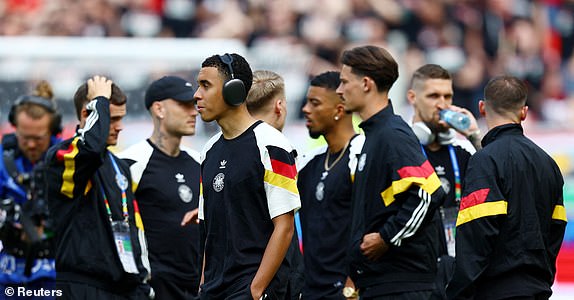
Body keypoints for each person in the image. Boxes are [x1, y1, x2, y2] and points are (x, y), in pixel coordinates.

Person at [336, 45, 445, 299]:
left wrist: (386, 237)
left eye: (343, 82)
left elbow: (429, 193)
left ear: (365, 83)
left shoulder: (392, 135)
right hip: (382, 284)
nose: (339, 90)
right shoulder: (375, 135)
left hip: (402, 286)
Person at [445, 75, 567, 299]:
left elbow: (477, 234)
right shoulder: (549, 164)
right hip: (538, 290)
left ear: (482, 108)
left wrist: (457, 294)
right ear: (524, 112)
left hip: (495, 291)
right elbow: (556, 228)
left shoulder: (484, 161)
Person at [194, 53, 300, 299]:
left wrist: (255, 290)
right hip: (212, 291)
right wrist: (203, 285)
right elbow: (208, 228)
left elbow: (284, 227)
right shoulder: (208, 151)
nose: (196, 95)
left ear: (234, 91)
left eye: (206, 86)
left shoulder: (273, 145)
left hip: (249, 291)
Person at [45, 76, 153, 299]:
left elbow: (133, 228)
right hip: (80, 287)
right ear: (88, 114)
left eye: (121, 118)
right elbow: (90, 149)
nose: (119, 127)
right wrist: (99, 101)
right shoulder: (63, 156)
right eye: (112, 119)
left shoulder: (119, 167)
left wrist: (141, 282)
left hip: (120, 288)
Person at [118, 75, 201, 299]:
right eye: (184, 105)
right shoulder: (131, 163)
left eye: (193, 105)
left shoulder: (201, 162)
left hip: (199, 289)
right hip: (154, 290)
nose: (194, 112)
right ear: (159, 109)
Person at [406, 64, 480, 296]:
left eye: (448, 96)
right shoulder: (402, 149)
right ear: (412, 98)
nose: (442, 104)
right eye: (433, 96)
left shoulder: (463, 150)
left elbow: (501, 179)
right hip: (413, 275)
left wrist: (475, 136)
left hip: (459, 274)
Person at [298, 71, 364, 300]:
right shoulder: (310, 164)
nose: (305, 109)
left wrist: (352, 285)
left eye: (314, 103)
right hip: (310, 290)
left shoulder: (362, 157)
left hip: (347, 291)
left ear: (338, 110)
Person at [245, 69, 304, 300]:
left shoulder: (221, 147)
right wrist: (257, 289)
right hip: (271, 282)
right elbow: (284, 226)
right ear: (279, 106)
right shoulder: (276, 147)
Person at [0, 81, 62, 297]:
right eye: (25, 137)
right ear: (14, 128)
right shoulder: (2, 163)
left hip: (55, 274)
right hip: (8, 272)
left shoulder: (67, 160)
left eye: (38, 138)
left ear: (53, 131)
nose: (31, 145)